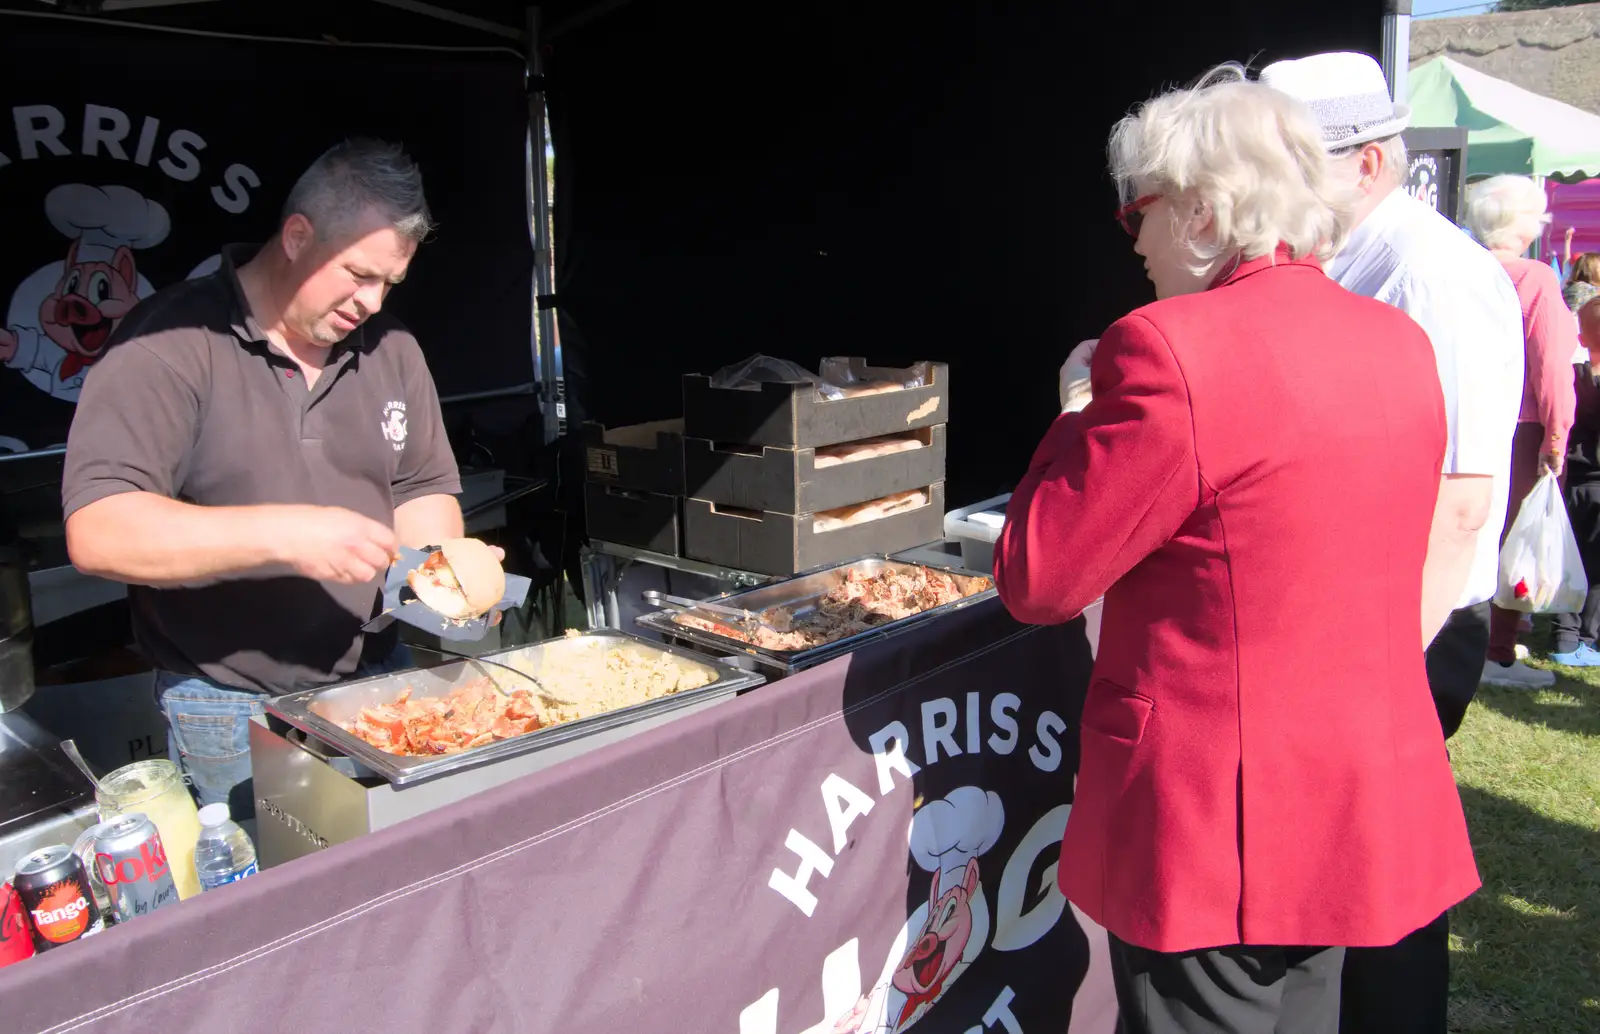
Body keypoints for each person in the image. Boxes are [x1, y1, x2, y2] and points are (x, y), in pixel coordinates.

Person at [995, 64, 1479, 1034]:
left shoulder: (1168, 349)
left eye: (1141, 213)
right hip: (1355, 793)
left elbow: (1040, 577)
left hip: (1221, 820)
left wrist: (1079, 411)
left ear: (1205, 212)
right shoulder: (1395, 342)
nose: (1132, 243)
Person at [62, 140, 466, 821]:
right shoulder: (169, 342)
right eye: (358, 274)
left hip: (382, 677)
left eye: (389, 284)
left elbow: (421, 487)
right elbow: (101, 529)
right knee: (277, 895)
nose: (370, 303)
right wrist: (286, 534)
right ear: (297, 235)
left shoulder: (391, 348)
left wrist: (441, 574)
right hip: (232, 703)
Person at [1262, 51, 1525, 1034]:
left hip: (1408, 621)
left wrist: (1379, 663)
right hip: (1369, 620)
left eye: (1290, 164)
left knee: (1379, 896)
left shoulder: (1428, 272)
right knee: (1352, 879)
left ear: (1367, 162)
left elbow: (1460, 496)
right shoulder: (1359, 257)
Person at [1464, 175, 1579, 679]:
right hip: (1521, 423)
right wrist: (1558, 433)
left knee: (1470, 528)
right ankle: (1499, 649)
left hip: (1465, 414)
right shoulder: (1534, 277)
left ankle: (1474, 637)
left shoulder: (1461, 266)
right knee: (1516, 535)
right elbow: (1552, 363)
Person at [1551, 297, 1600, 664]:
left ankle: (1565, 637)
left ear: (1581, 337)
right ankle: (1589, 637)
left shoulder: (1573, 379)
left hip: (1571, 481)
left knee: (1569, 559)